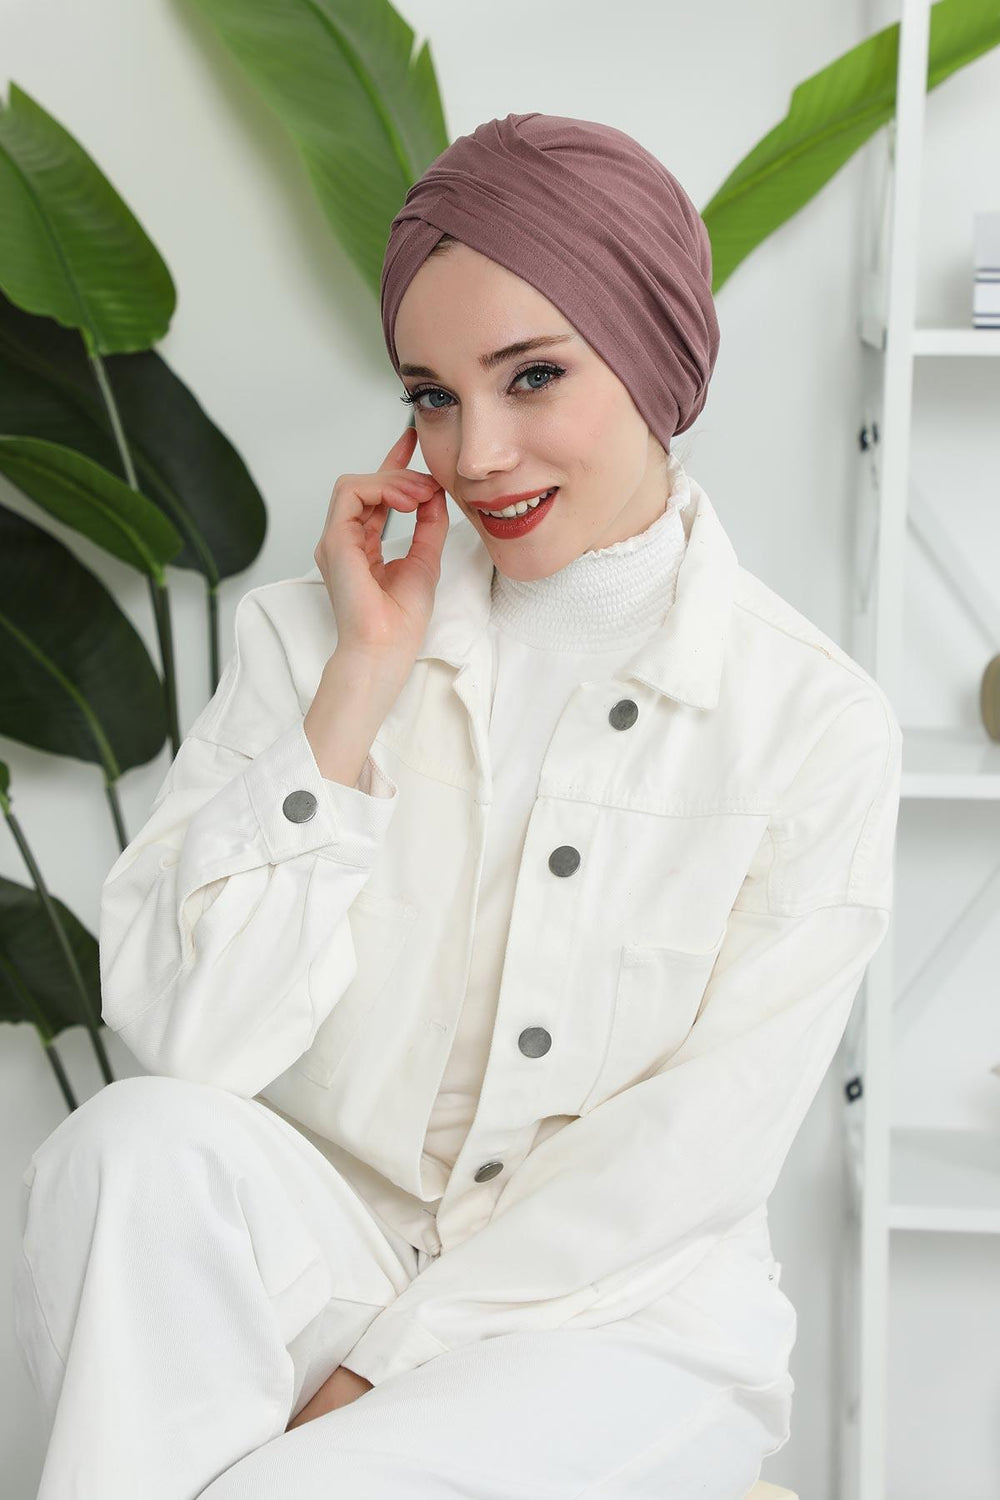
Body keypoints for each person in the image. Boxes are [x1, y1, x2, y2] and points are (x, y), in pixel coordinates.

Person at [13, 113, 902, 1500]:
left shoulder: (814, 727)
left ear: (655, 358)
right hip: (335, 1253)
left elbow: (684, 1163)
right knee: (122, 1147)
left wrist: (381, 1374)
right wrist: (361, 679)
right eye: (431, 395)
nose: (476, 453)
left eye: (532, 376)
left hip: (615, 1326)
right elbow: (191, 1045)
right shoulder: (311, 641)